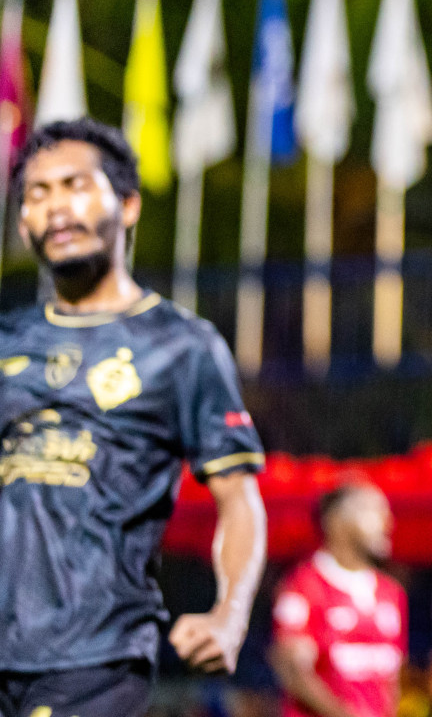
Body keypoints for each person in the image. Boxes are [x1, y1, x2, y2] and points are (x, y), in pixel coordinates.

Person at [0, 118, 266, 717]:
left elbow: (239, 498)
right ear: (22, 223)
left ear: (127, 204)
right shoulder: (7, 339)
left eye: (74, 185)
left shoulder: (183, 347)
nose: (55, 207)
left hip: (93, 658)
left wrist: (230, 614)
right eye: (37, 195)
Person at [271, 483, 407, 717]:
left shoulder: (391, 593)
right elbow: (294, 672)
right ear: (336, 522)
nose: (387, 522)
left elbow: (391, 680)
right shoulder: (305, 587)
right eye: (372, 512)